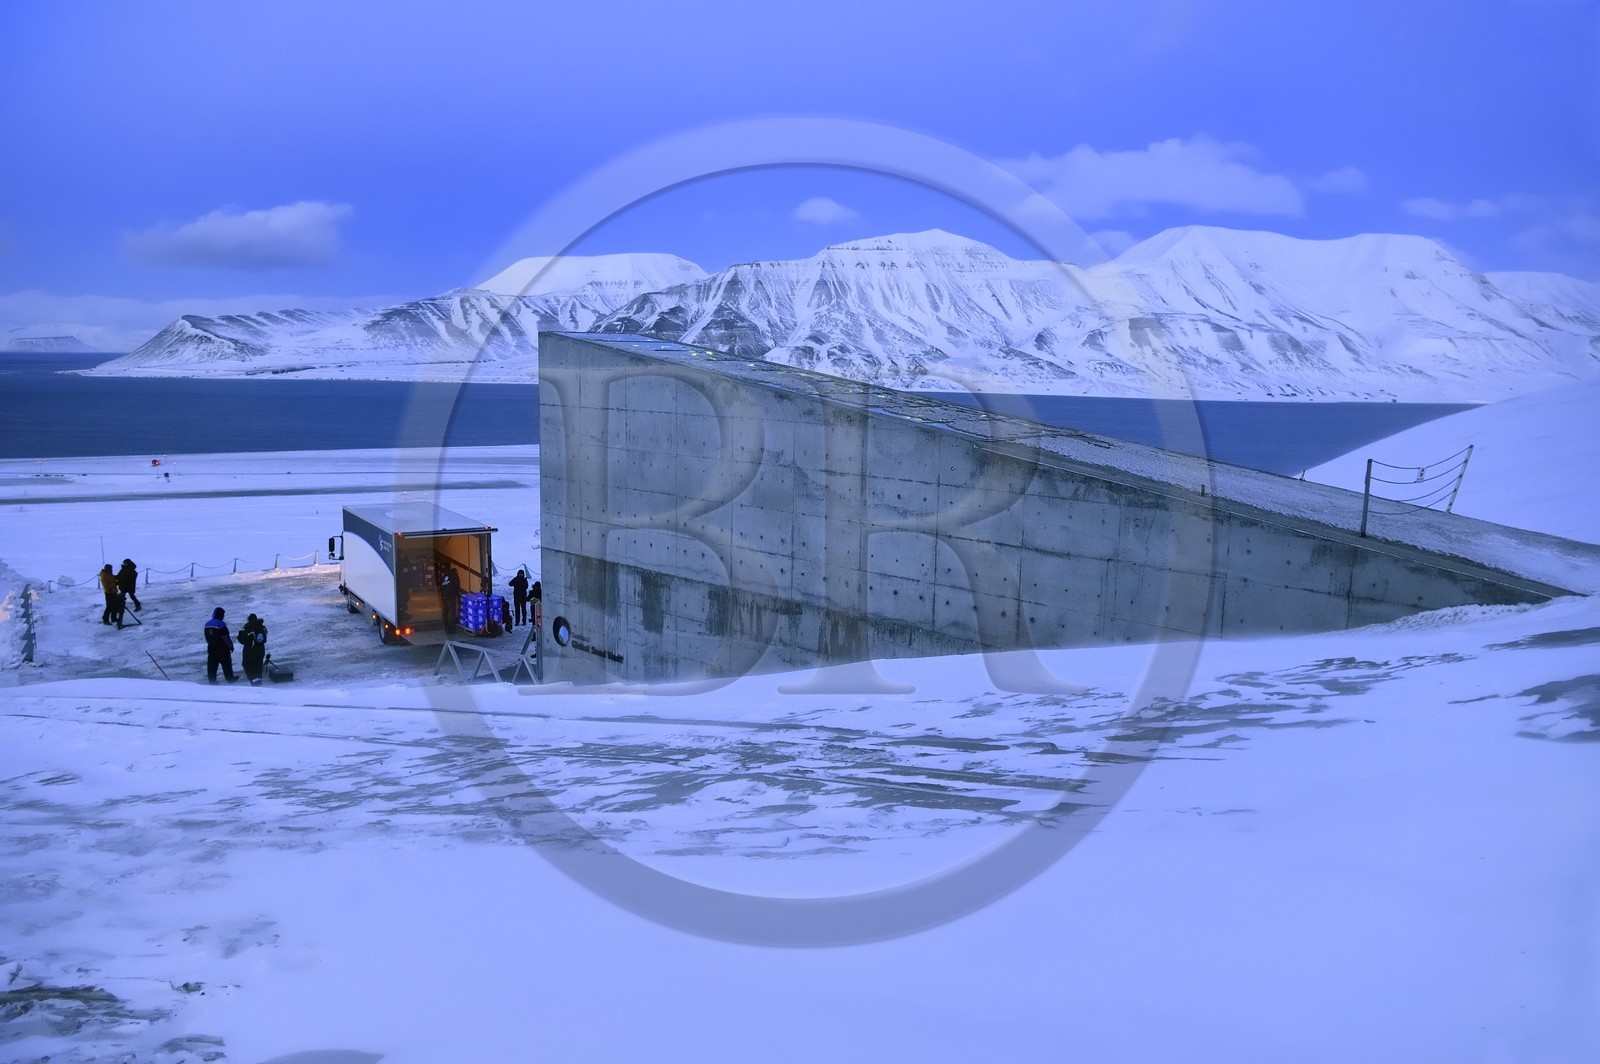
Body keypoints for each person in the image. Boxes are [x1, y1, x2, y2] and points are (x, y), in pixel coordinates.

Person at [204, 607, 237, 683]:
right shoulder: (221, 624)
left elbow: (207, 637)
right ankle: (230, 679)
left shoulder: (207, 624)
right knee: (226, 665)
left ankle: (212, 681)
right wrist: (231, 646)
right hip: (223, 649)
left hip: (212, 649)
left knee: (212, 665)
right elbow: (225, 637)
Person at [239, 613, 268, 685]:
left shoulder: (249, 629)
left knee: (247, 666)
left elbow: (243, 640)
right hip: (261, 649)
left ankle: (255, 683)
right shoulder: (263, 628)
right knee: (258, 666)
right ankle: (259, 681)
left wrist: (240, 635)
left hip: (251, 651)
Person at [98, 563, 124, 628]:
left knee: (114, 606)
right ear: (107, 569)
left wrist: (117, 581)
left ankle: (114, 618)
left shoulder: (109, 574)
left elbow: (113, 580)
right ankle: (105, 619)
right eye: (110, 569)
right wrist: (115, 583)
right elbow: (107, 586)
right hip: (109, 593)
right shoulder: (104, 576)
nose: (111, 570)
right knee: (109, 607)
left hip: (113, 591)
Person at [437, 561, 460, 633]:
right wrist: (457, 594)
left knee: (445, 612)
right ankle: (451, 628)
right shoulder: (454, 575)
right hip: (451, 596)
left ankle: (445, 626)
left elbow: (441, 586)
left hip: (445, 596)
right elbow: (457, 586)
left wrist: (442, 595)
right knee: (452, 612)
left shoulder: (444, 576)